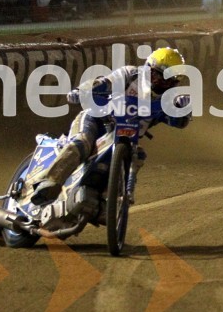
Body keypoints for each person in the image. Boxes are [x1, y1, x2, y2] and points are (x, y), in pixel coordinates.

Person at [31, 47, 192, 205]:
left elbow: (179, 122)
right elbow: (104, 83)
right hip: (97, 120)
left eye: (168, 80)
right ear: (148, 68)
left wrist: (183, 109)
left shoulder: (170, 99)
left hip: (127, 138)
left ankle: (110, 201)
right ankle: (49, 182)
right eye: (158, 75)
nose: (161, 82)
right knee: (83, 141)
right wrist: (82, 91)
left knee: (138, 156)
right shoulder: (130, 74)